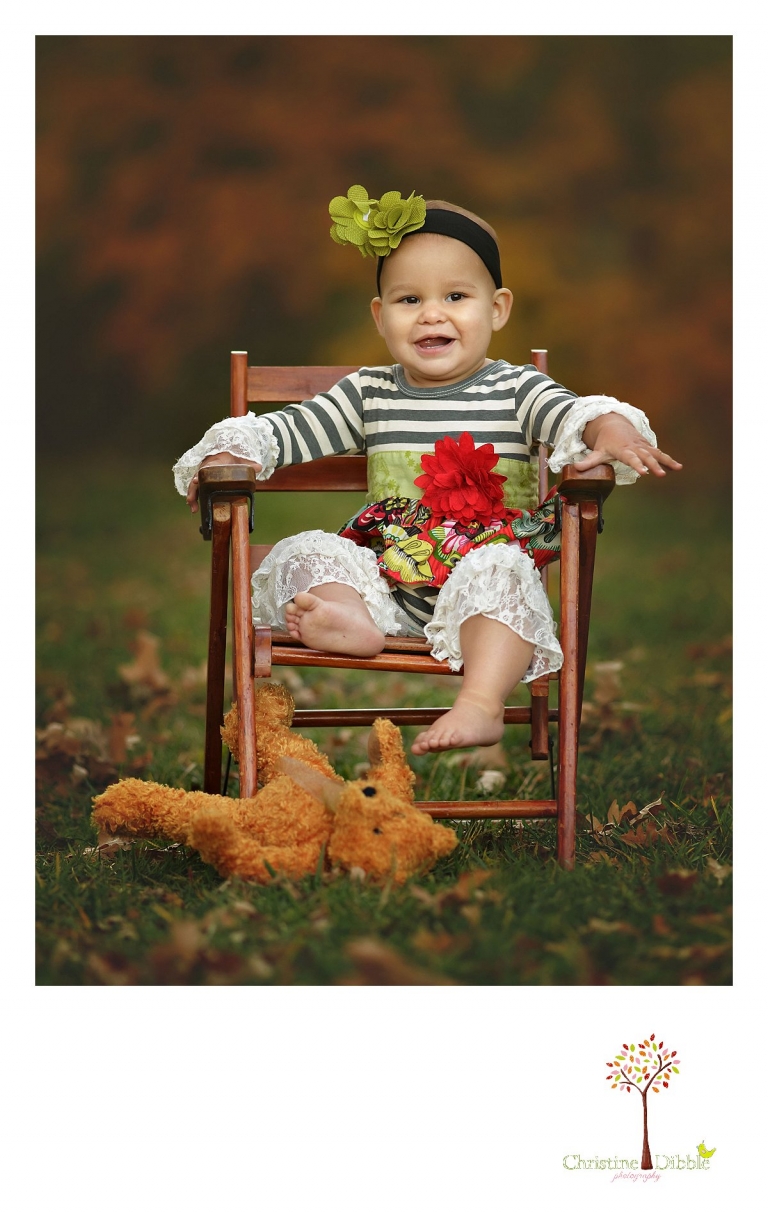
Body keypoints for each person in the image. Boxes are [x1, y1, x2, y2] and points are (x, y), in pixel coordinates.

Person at [174, 188, 681, 756]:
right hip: (385, 589)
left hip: (477, 597)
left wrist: (608, 429)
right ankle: (347, 619)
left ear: (497, 309)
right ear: (380, 316)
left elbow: (572, 414)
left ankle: (480, 703)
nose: (432, 313)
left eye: (456, 295)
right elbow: (288, 429)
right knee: (303, 552)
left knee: (505, 572)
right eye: (409, 299)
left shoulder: (516, 389)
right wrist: (232, 449)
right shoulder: (370, 394)